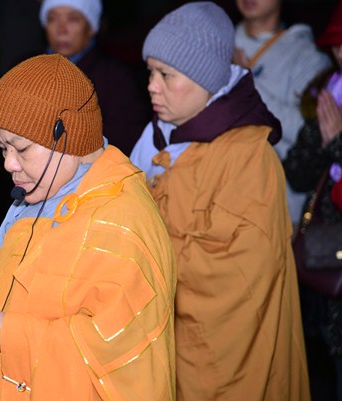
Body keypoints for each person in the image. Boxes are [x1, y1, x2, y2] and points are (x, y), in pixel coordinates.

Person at [0, 53, 176, 401]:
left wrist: (6, 334)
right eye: (3, 148)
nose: (9, 164)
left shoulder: (122, 220)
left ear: (67, 135)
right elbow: (7, 290)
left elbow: (117, 355)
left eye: (21, 149)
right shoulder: (28, 203)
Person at [129, 2, 310, 400]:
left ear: (205, 78)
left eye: (166, 75)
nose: (152, 86)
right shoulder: (156, 136)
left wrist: (143, 256)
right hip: (163, 346)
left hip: (225, 361)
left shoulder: (248, 153)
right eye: (150, 72)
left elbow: (240, 274)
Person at [283, 1, 342, 399]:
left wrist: (337, 142)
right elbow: (297, 172)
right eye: (336, 44)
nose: (341, 52)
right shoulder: (327, 92)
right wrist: (323, 140)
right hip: (322, 259)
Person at [233, 0, 332, 226]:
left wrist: (247, 85)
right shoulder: (215, 42)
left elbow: (307, 133)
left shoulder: (308, 57)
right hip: (216, 200)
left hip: (278, 212)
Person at [38, 0, 148, 155]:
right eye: (52, 19)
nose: (61, 29)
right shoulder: (25, 68)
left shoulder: (114, 77)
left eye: (73, 19)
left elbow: (128, 138)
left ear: (91, 28)